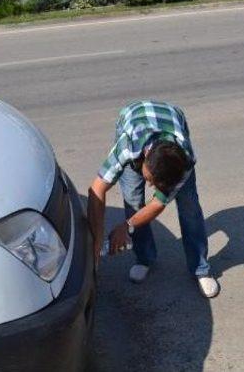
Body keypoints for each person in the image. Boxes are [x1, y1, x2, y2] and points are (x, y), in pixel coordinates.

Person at [88, 100, 220, 298]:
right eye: (149, 178)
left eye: (155, 183)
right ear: (146, 155)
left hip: (174, 119)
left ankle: (200, 268)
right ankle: (144, 258)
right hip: (132, 117)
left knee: (189, 206)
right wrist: (96, 243)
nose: (150, 185)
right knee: (133, 200)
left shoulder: (184, 161)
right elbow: (96, 189)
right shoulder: (127, 146)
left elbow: (158, 203)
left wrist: (127, 226)